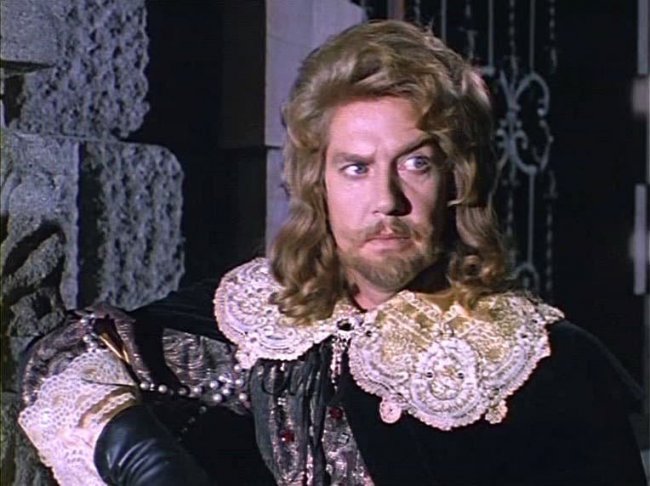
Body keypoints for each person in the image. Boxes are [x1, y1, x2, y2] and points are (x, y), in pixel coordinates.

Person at [18, 20, 647, 485]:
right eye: (356, 168)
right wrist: (143, 458)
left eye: (417, 164)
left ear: (457, 179)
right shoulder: (260, 315)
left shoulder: (548, 366)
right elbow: (66, 358)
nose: (387, 200)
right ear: (318, 183)